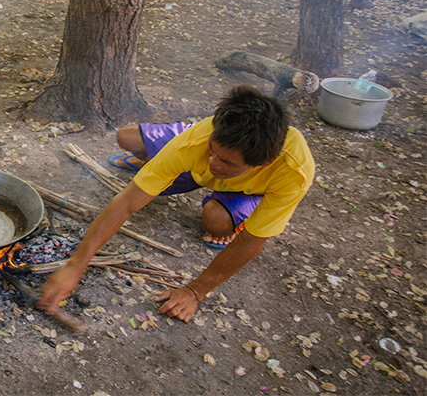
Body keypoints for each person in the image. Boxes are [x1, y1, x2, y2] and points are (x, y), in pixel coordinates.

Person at [38, 85, 315, 322]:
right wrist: (76, 265)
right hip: (193, 165)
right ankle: (154, 164)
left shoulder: (293, 172)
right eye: (213, 151)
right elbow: (126, 203)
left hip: (248, 189)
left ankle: (231, 206)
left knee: (216, 221)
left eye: (226, 161)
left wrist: (195, 291)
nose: (213, 163)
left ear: (262, 163)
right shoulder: (197, 143)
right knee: (128, 138)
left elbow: (252, 241)